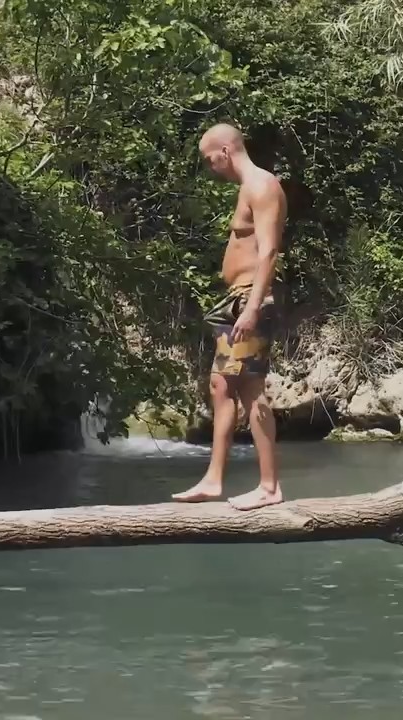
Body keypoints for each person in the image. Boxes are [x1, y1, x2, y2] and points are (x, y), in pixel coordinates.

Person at [171, 123, 287, 510]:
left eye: (210, 160)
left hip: (252, 298)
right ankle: (213, 479)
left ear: (225, 150)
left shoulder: (263, 185)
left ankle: (269, 487)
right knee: (221, 386)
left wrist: (253, 307)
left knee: (251, 389)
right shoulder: (247, 187)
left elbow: (269, 251)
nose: (210, 168)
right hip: (235, 299)